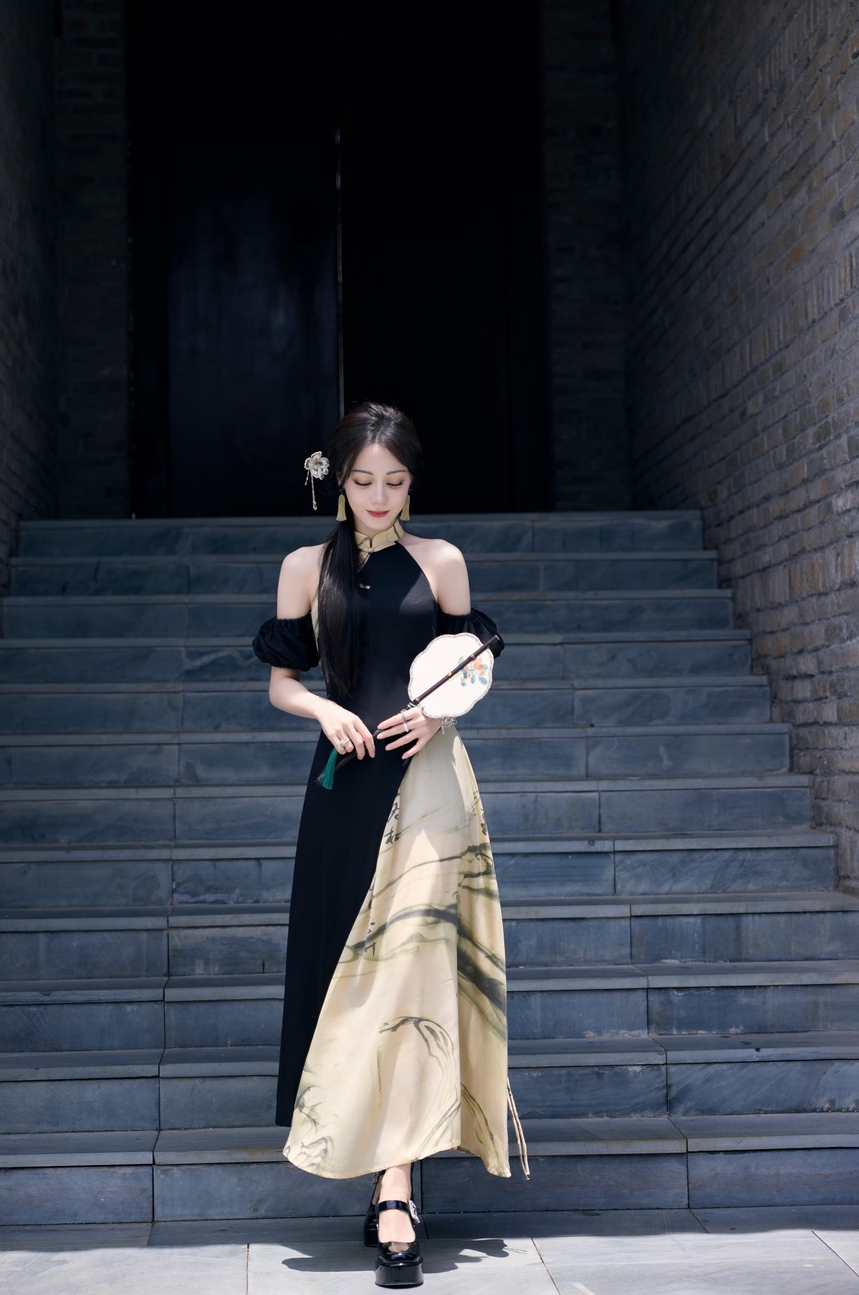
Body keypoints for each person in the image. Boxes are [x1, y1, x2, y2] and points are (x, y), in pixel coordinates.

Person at [252, 403, 515, 1288]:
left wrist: (436, 715)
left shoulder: (441, 562)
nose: (378, 496)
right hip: (343, 789)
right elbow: (282, 683)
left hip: (430, 787)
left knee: (412, 976)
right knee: (354, 980)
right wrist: (323, 709)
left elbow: (474, 662)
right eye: (363, 480)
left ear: (411, 482)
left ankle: (396, 1188)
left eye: (394, 482)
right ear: (338, 479)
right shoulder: (305, 567)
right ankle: (383, 1175)